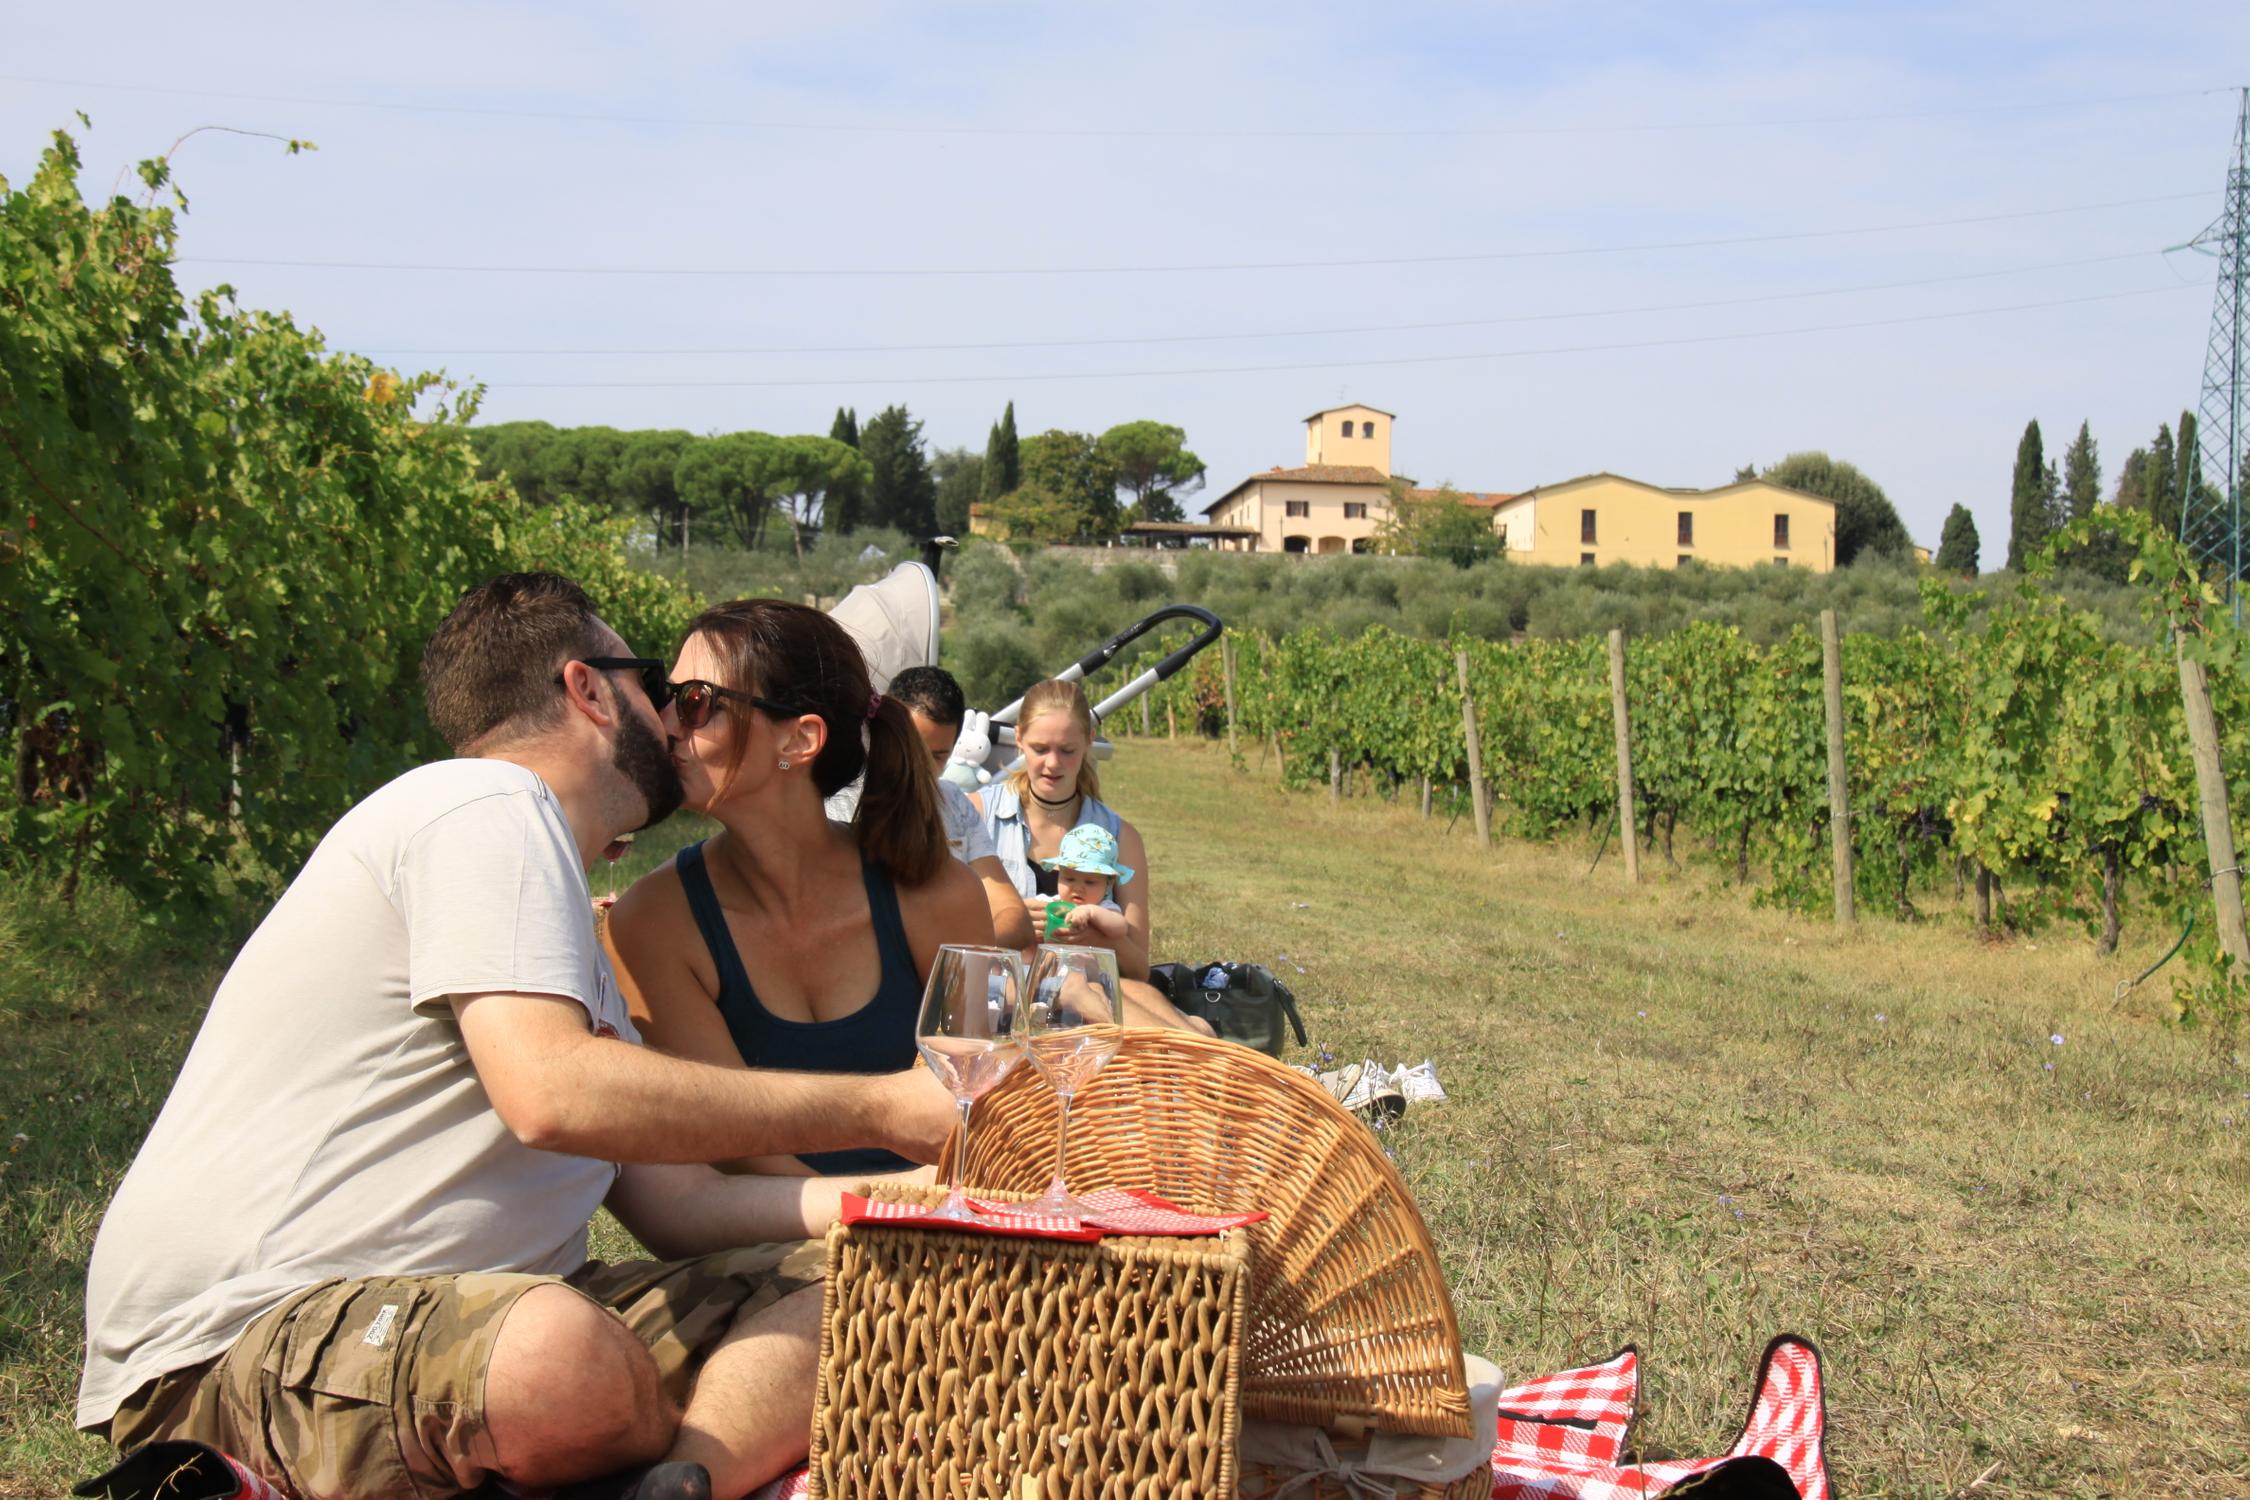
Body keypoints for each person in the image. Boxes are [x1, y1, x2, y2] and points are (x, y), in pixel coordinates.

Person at [77, 573, 953, 1500]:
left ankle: (680, 1480)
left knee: (885, 1288)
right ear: (586, 689)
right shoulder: (484, 804)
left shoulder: (556, 905)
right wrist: (881, 1102)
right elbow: (554, 1095)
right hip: (251, 1335)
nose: (665, 714)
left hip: (466, 1317)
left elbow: (678, 1206)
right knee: (557, 1359)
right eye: (653, 685)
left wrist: (908, 1201)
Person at [605, 603, 997, 1180]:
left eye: (695, 702)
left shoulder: (938, 895)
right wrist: (882, 1214)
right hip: (770, 1248)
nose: (664, 723)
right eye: (669, 696)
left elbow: (969, 1113)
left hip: (939, 1239)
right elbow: (735, 1146)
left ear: (800, 739)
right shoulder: (653, 924)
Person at [971, 678, 1210, 1033]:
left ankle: (1202, 1048)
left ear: (1089, 740)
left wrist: (1094, 936)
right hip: (1004, 998)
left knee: (1131, 995)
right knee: (1128, 1007)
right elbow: (944, 942)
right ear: (1018, 738)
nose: (1053, 764)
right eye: (1040, 749)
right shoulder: (977, 815)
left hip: (1092, 995)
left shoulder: (1121, 837)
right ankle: (1206, 1054)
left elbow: (1137, 969)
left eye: (1067, 751)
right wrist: (1013, 923)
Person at [887, 664, 1037, 950]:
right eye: (911, 749)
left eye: (938, 756)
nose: (922, 767)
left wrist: (950, 957)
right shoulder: (846, 804)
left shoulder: (954, 803)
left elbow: (1014, 917)